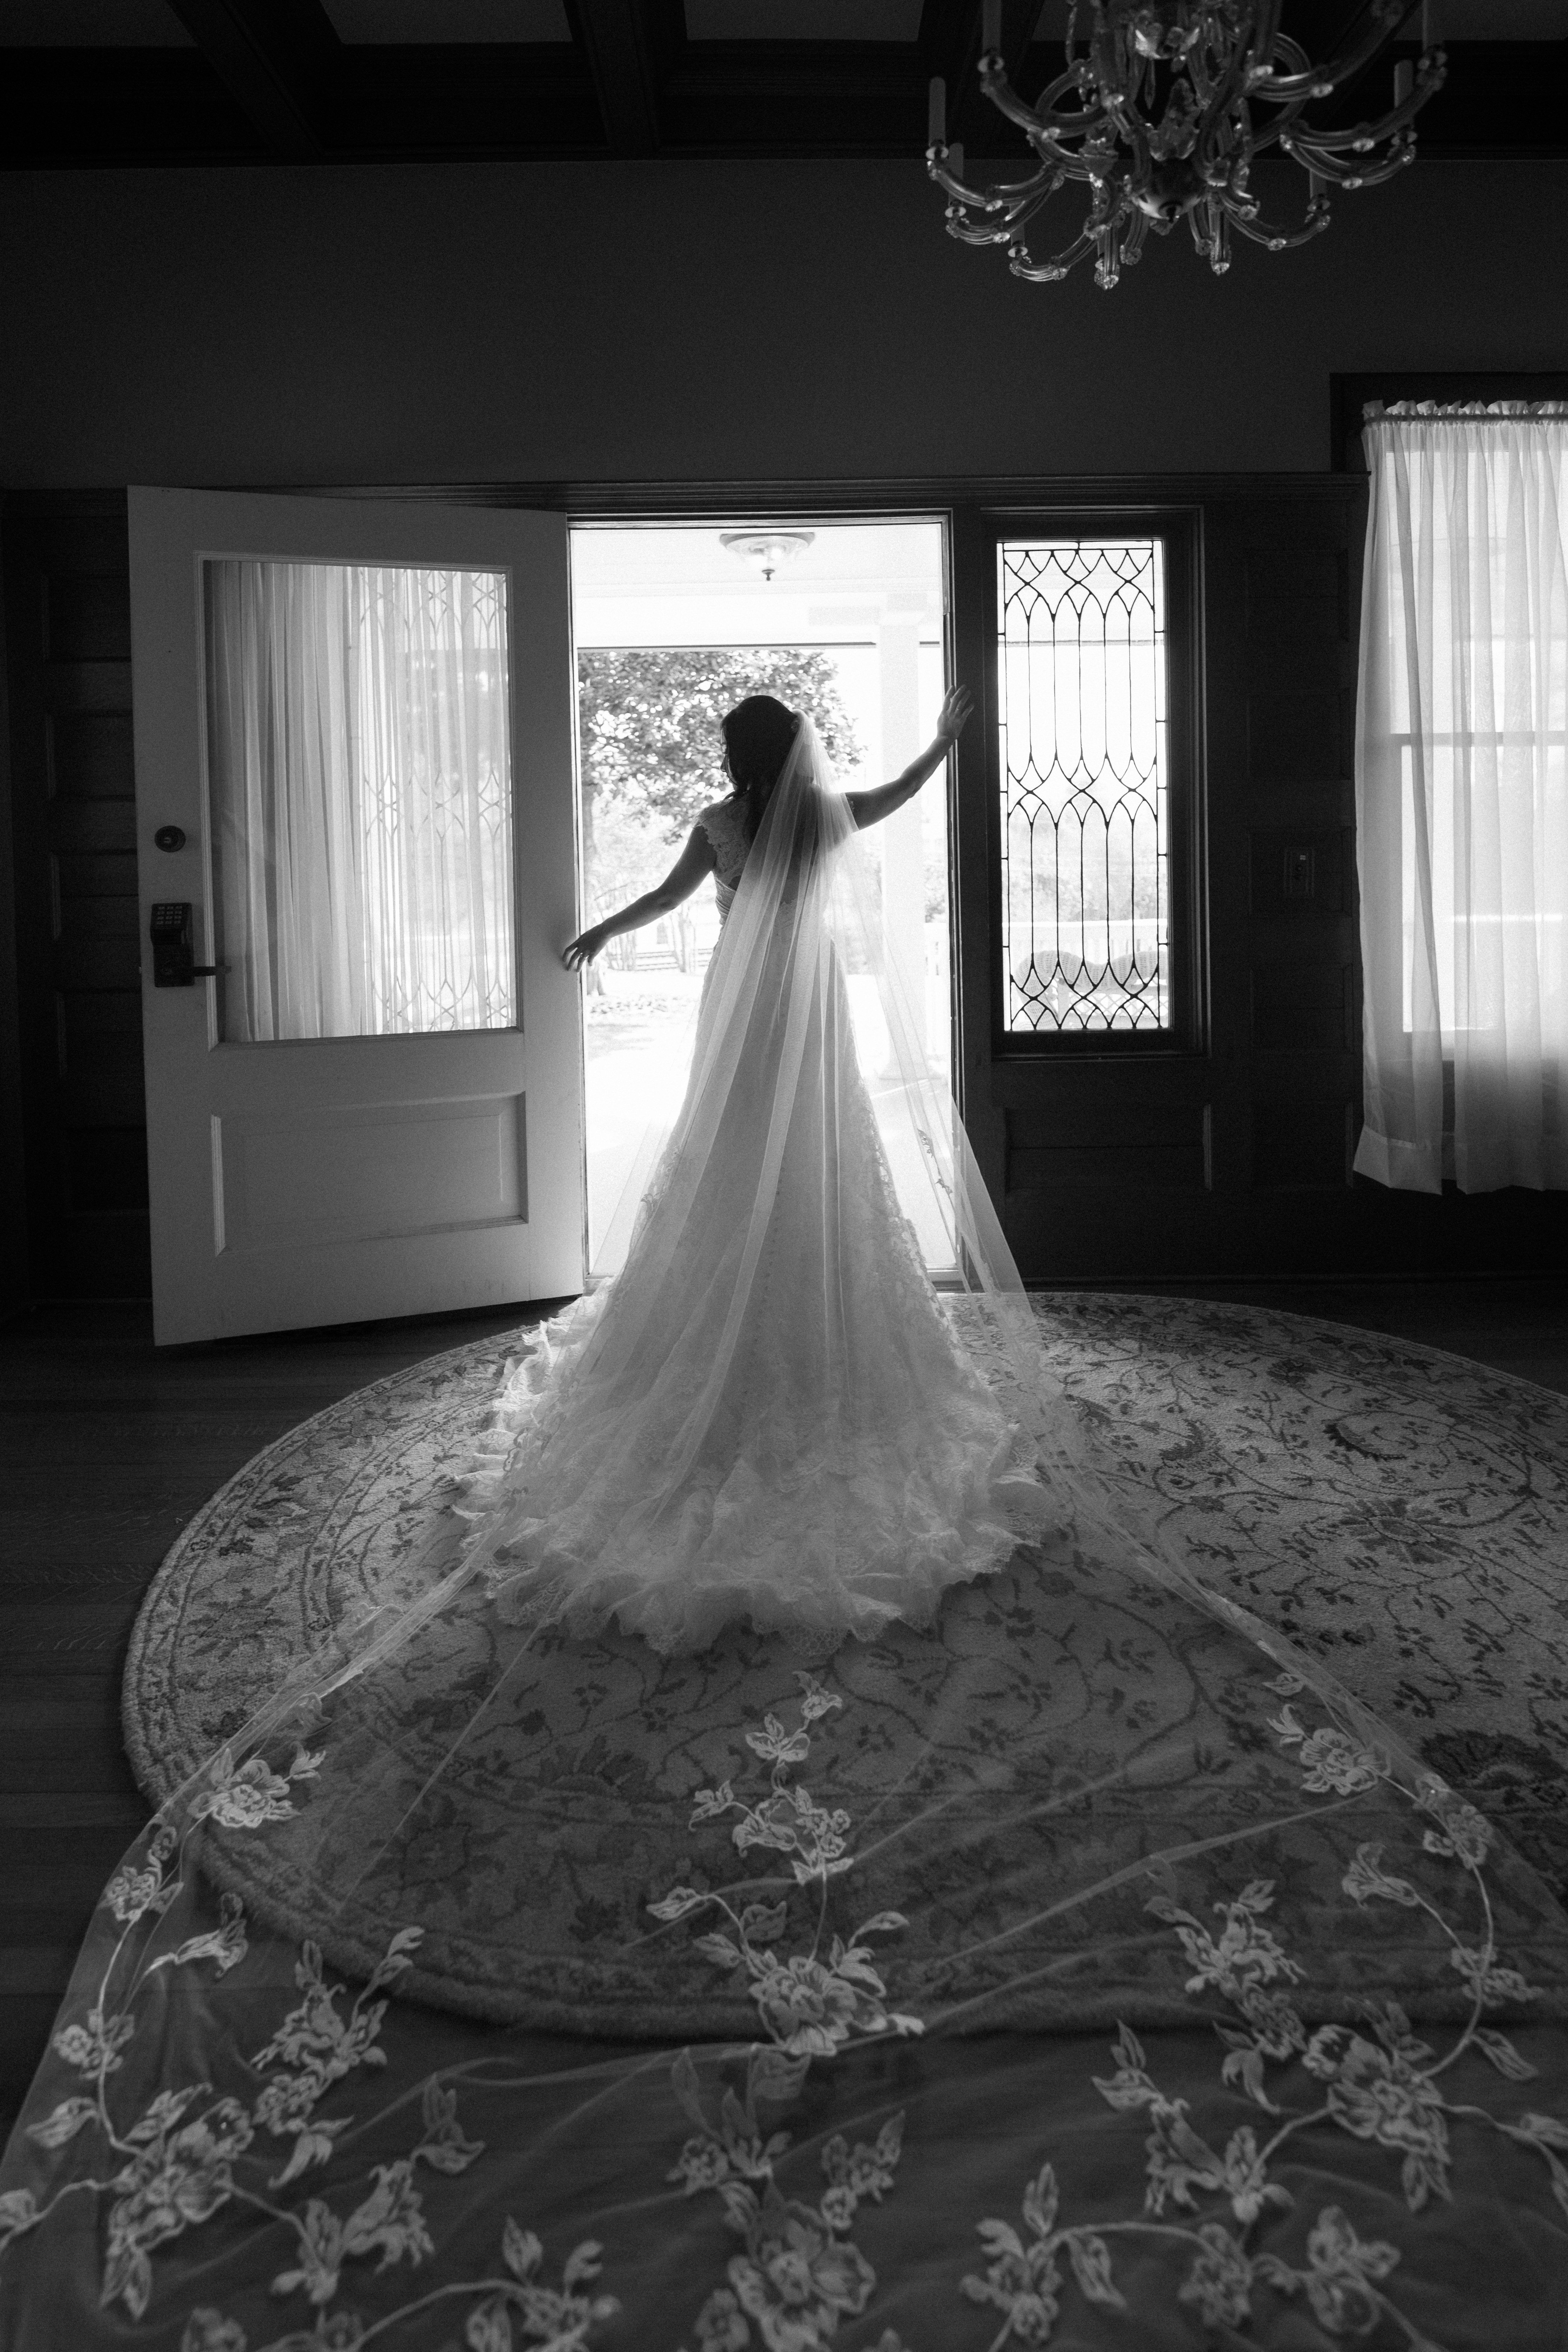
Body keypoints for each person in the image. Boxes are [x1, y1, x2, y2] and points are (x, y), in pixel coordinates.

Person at [439, 685, 1069, 1657]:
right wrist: (943, 741)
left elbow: (670, 897)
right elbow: (897, 793)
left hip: (740, 1009)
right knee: (816, 1145)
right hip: (803, 1007)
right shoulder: (819, 816)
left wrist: (607, 930)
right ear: (799, 747)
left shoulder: (721, 823)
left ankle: (723, 1287)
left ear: (735, 755)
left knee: (725, 1145)